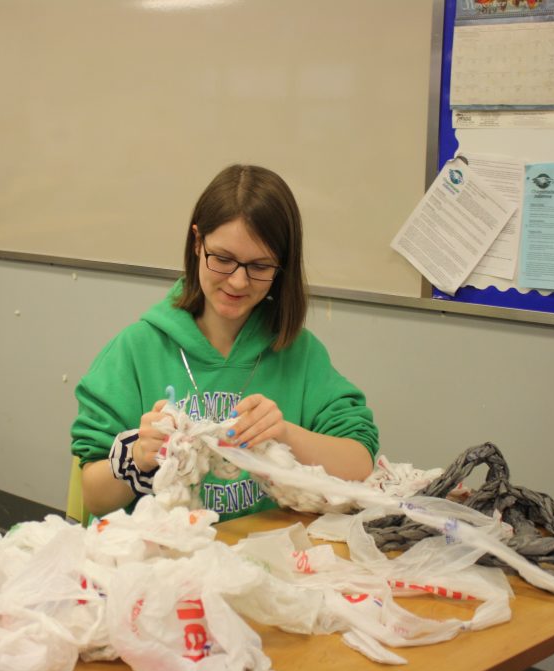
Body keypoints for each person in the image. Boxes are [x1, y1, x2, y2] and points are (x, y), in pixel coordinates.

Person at [71, 164, 379, 522]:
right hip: (167, 565)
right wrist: (139, 456)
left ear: (282, 267)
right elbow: (94, 497)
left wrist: (284, 434)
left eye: (260, 266)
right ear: (198, 242)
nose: (237, 282)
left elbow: (359, 464)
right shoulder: (136, 351)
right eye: (223, 259)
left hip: (266, 563)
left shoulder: (298, 352)